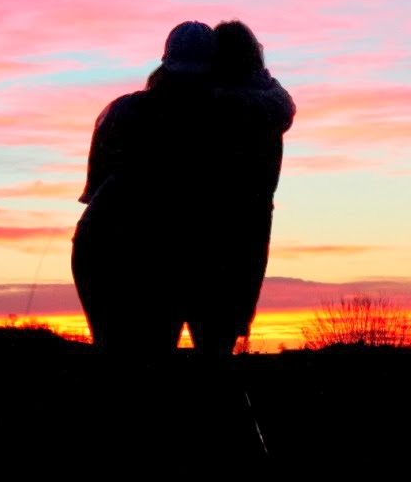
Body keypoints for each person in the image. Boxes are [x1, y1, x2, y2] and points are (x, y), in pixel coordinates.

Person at [71, 19, 294, 356]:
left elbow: (96, 186)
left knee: (130, 357)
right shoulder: (247, 115)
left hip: (124, 246)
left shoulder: (134, 109)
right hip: (189, 253)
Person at [72, 20, 218, 354]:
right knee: (147, 358)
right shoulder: (216, 119)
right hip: (148, 250)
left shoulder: (121, 109)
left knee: (119, 355)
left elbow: (94, 188)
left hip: (101, 244)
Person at [182, 20, 295, 355]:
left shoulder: (204, 105)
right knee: (220, 336)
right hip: (251, 227)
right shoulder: (272, 104)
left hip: (199, 223)